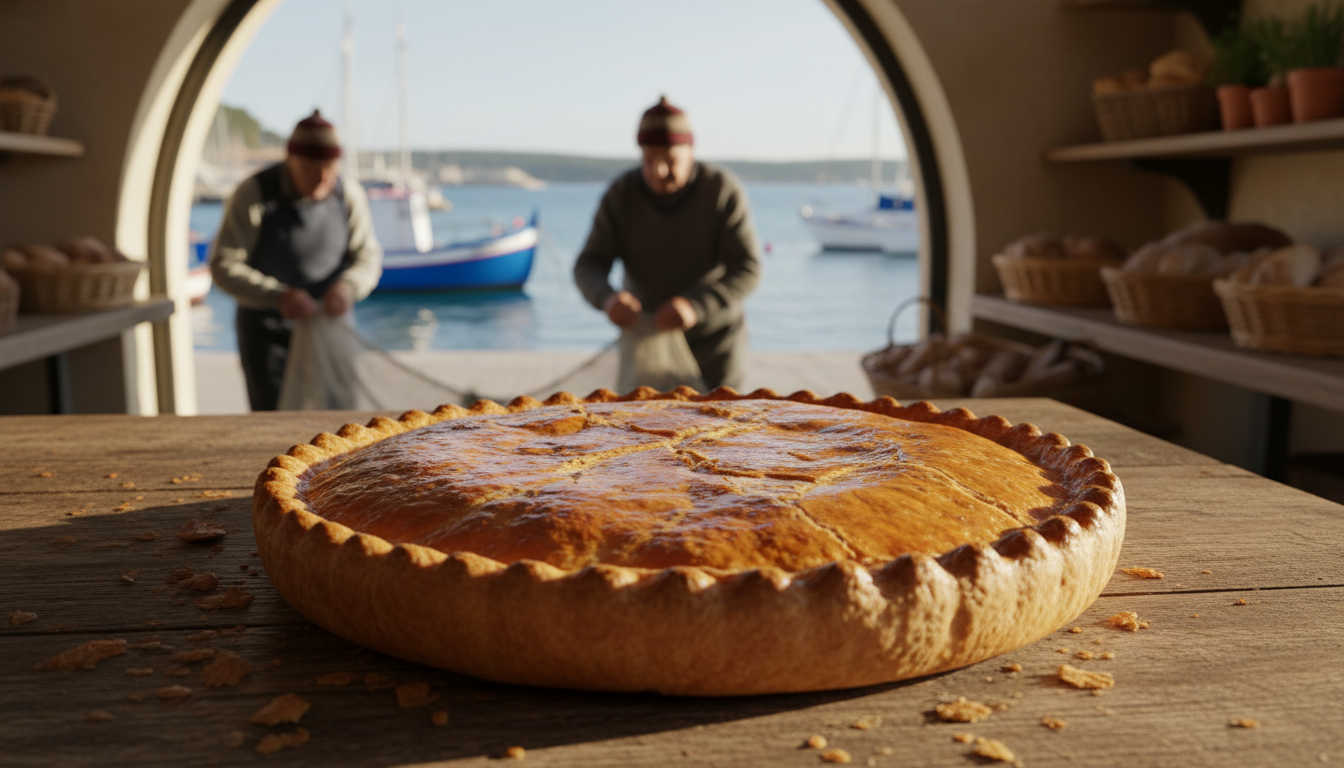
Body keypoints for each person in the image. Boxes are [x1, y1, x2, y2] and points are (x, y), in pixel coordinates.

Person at [574, 96, 762, 391]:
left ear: (691, 152)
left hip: (715, 349)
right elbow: (588, 264)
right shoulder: (621, 194)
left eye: (670, 160)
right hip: (646, 346)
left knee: (720, 419)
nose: (659, 171)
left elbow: (748, 268)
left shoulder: (721, 190)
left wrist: (696, 306)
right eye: (649, 161)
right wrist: (608, 299)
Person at [209, 110, 383, 411]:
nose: (322, 179)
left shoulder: (349, 194)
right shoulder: (254, 193)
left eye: (329, 169)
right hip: (267, 334)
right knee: (274, 419)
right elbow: (223, 264)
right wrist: (278, 295)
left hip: (330, 325)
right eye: (309, 169)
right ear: (289, 159)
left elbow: (368, 256)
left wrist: (348, 287)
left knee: (340, 417)